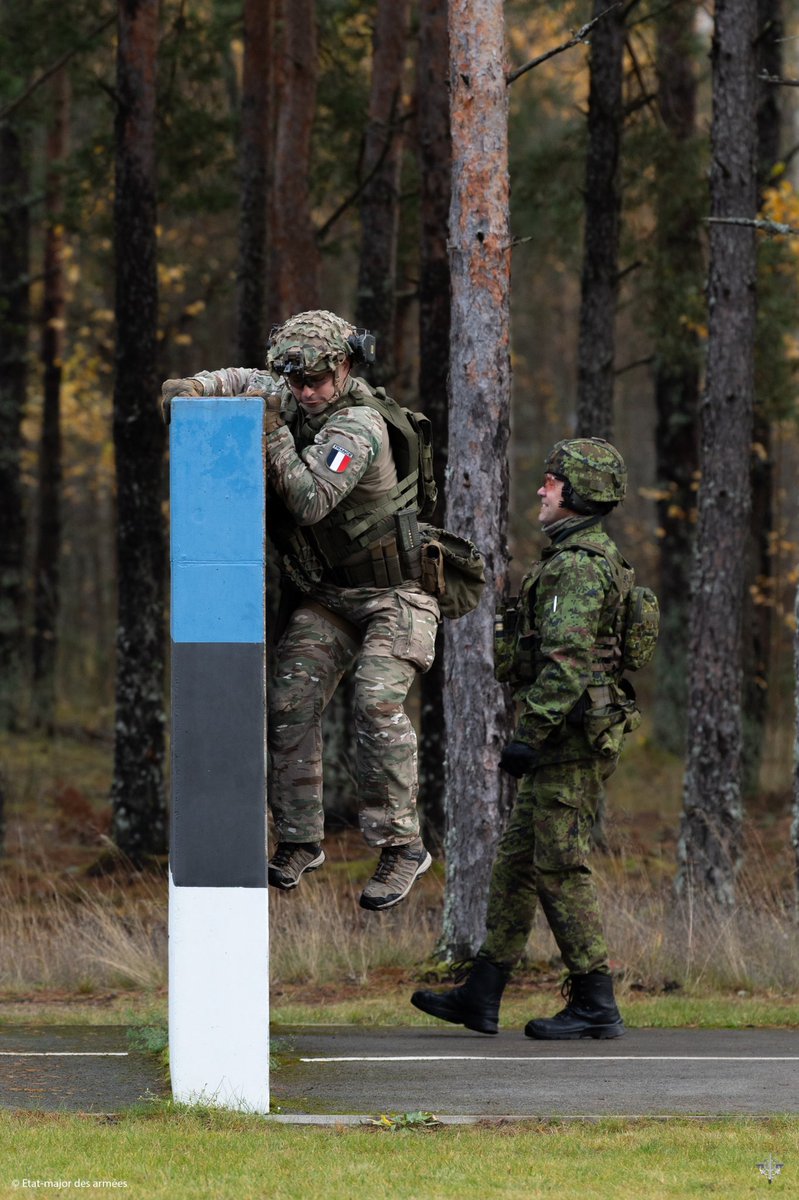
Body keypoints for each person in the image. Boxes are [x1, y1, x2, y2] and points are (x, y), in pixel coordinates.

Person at [162, 309, 439, 911]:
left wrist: (274, 432)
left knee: (376, 697)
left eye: (317, 381)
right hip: (333, 595)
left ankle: (401, 846)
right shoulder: (287, 391)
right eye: (295, 383)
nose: (306, 393)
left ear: (344, 368)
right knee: (290, 698)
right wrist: (193, 389)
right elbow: (243, 379)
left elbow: (311, 500)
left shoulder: (358, 427)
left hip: (396, 595)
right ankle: (300, 838)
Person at [411, 437, 636, 1038]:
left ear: (579, 494)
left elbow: (565, 661)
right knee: (515, 866)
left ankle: (596, 1001)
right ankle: (482, 994)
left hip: (569, 742)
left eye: (553, 482)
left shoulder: (578, 567)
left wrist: (528, 734)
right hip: (561, 739)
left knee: (560, 865)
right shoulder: (571, 559)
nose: (542, 489)